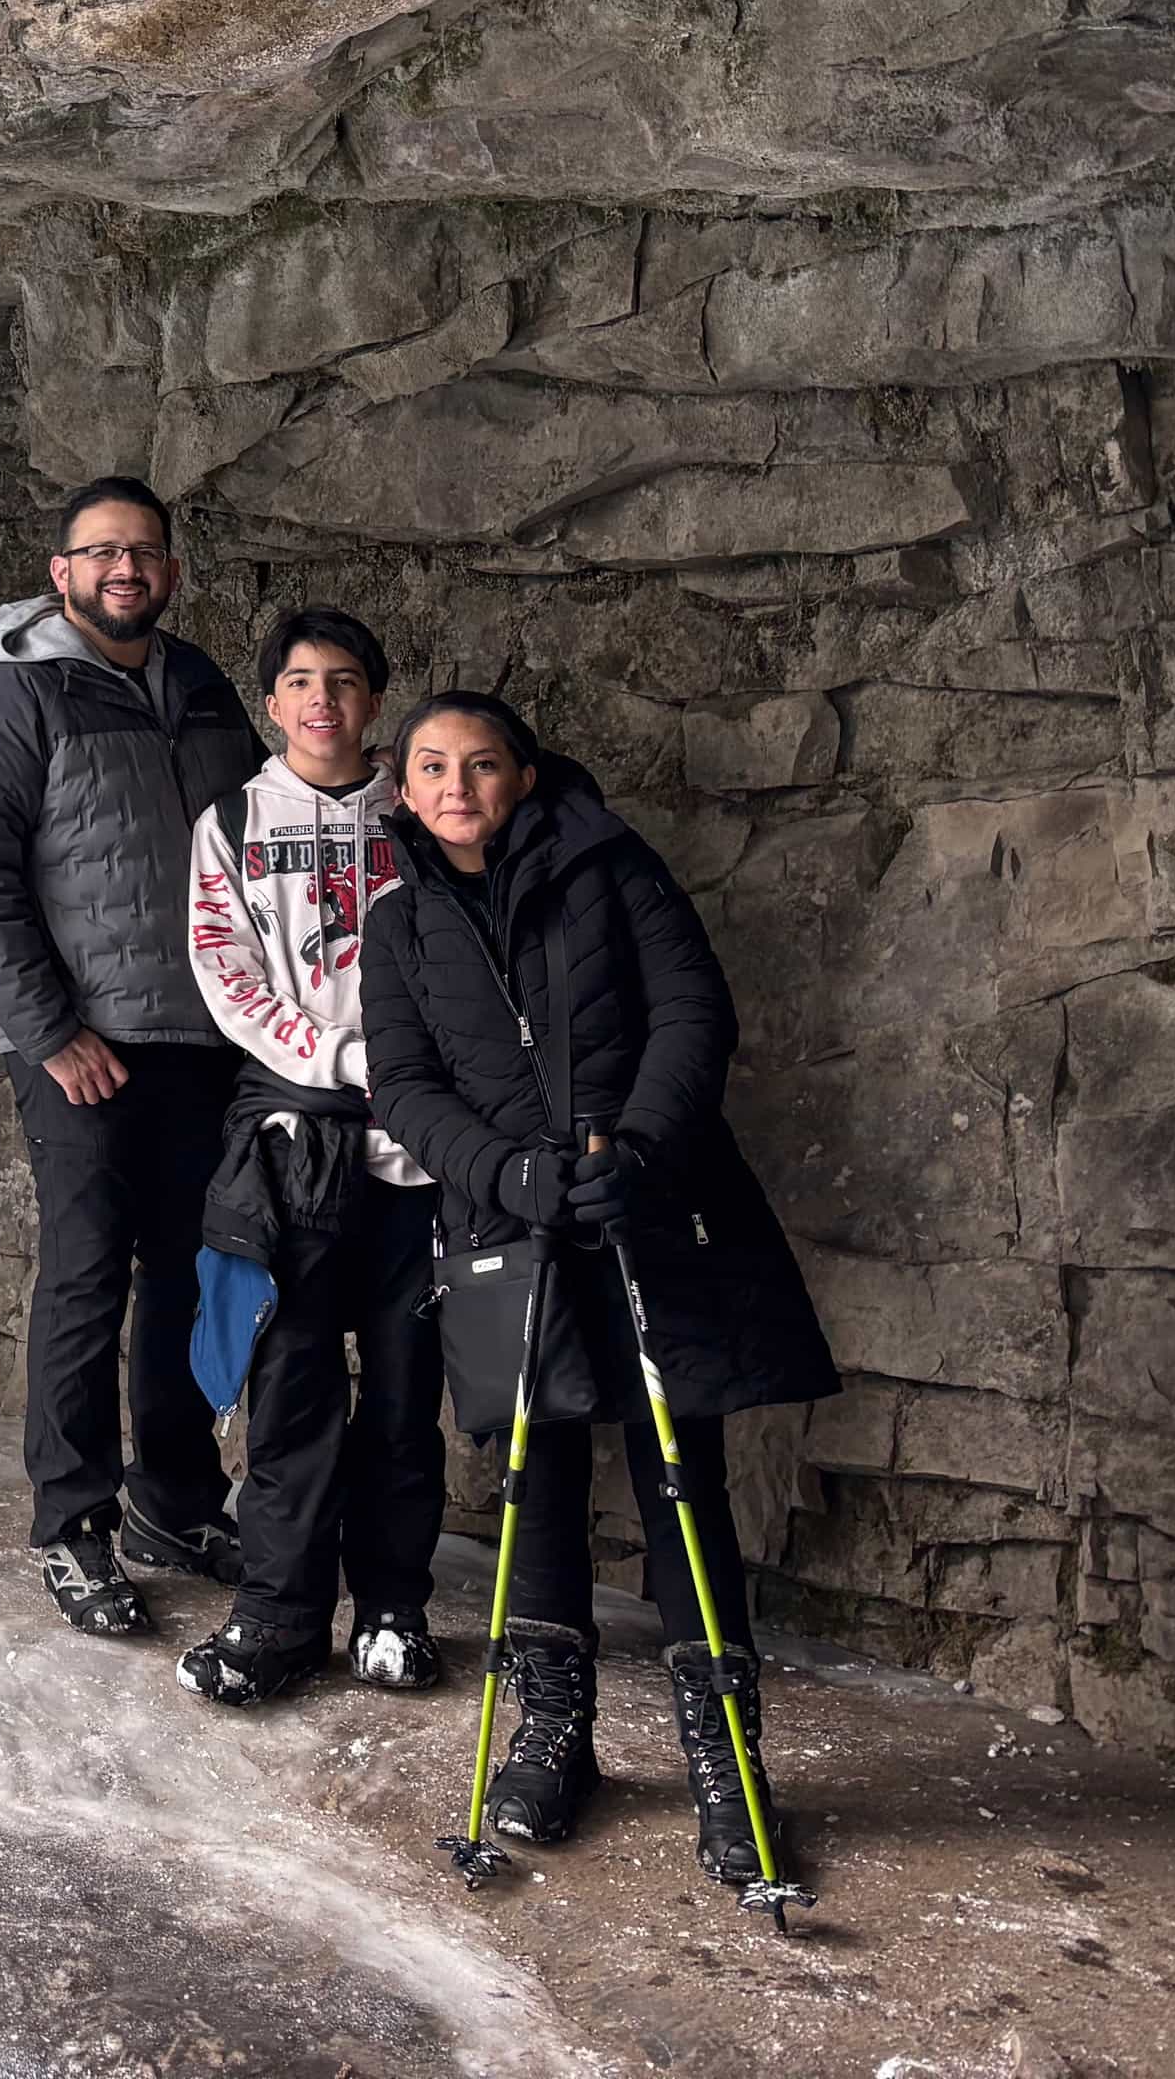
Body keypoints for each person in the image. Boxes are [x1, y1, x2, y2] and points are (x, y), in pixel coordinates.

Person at [358, 691, 840, 1882]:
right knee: (538, 1474)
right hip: (510, 1226)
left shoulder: (613, 868)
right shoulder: (399, 923)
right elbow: (407, 1086)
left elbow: (691, 1011)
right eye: (431, 767)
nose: (456, 786)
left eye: (479, 764)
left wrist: (637, 1150)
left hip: (650, 1207)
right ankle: (553, 1733)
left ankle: (730, 1763)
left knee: (682, 1484)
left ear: (523, 774)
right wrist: (508, 1173)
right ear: (404, 787)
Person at [0, 476, 262, 1636]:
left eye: (147, 552)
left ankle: (174, 1504)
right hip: (84, 1045)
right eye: (102, 552)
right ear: (60, 572)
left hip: (206, 1039)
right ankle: (73, 1524)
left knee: (187, 1278)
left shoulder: (206, 689)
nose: (128, 569)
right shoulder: (16, 699)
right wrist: (49, 1030)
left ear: (170, 572)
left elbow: (258, 846)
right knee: (84, 1275)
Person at [172, 606, 442, 1707]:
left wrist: (417, 1078)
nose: (320, 698)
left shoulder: (425, 813)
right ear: (271, 703)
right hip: (289, 1145)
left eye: (342, 679)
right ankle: (280, 1619)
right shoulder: (230, 822)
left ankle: (392, 1611)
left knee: (403, 1394)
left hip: (421, 1153)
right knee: (289, 1393)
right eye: (297, 681)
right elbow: (224, 970)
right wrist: (337, 1055)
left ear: (374, 698)